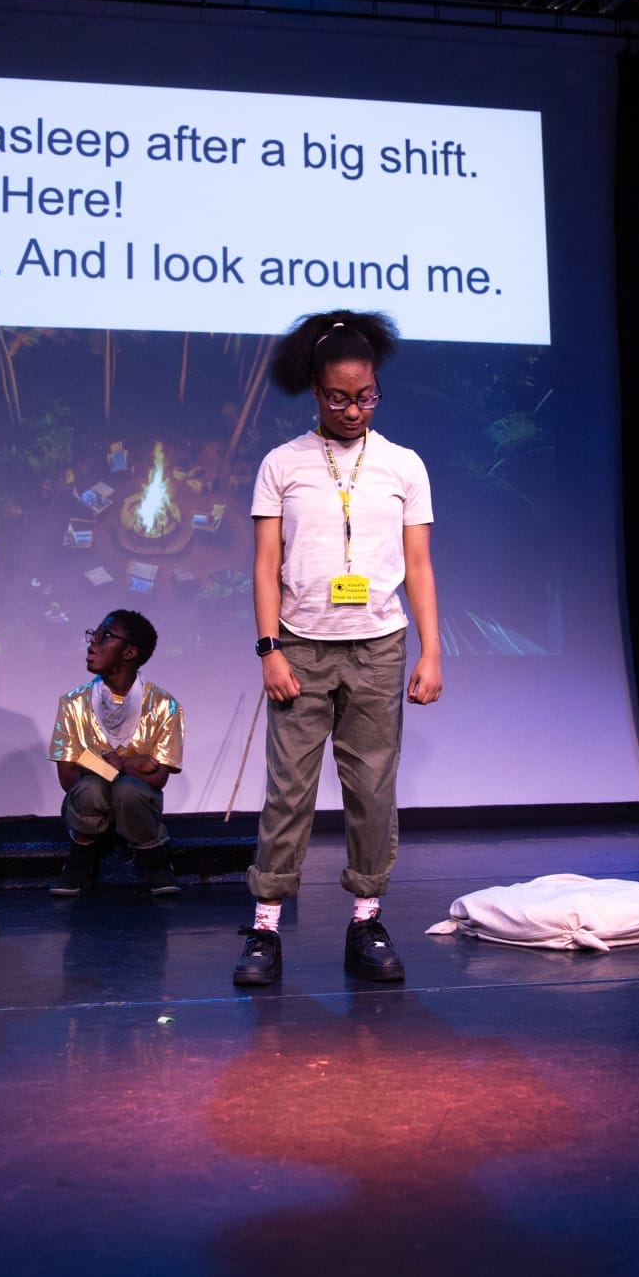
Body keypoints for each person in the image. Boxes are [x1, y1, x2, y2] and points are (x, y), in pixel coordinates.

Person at [237, 311, 443, 989]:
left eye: (365, 396)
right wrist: (269, 649)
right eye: (338, 397)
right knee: (288, 792)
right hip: (301, 646)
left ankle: (366, 921)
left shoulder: (404, 465)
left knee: (373, 790)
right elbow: (266, 565)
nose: (353, 410)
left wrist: (432, 651)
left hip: (379, 647)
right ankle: (265, 927)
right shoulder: (283, 464)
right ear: (315, 390)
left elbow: (419, 564)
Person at [48, 609, 187, 900]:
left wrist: (112, 765)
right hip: (89, 799)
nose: (92, 642)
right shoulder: (74, 702)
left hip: (136, 803)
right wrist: (128, 765)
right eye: (94, 634)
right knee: (90, 788)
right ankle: (79, 860)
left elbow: (159, 778)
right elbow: (68, 777)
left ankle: (154, 859)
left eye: (105, 636)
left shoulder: (164, 704)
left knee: (128, 790)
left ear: (130, 652)